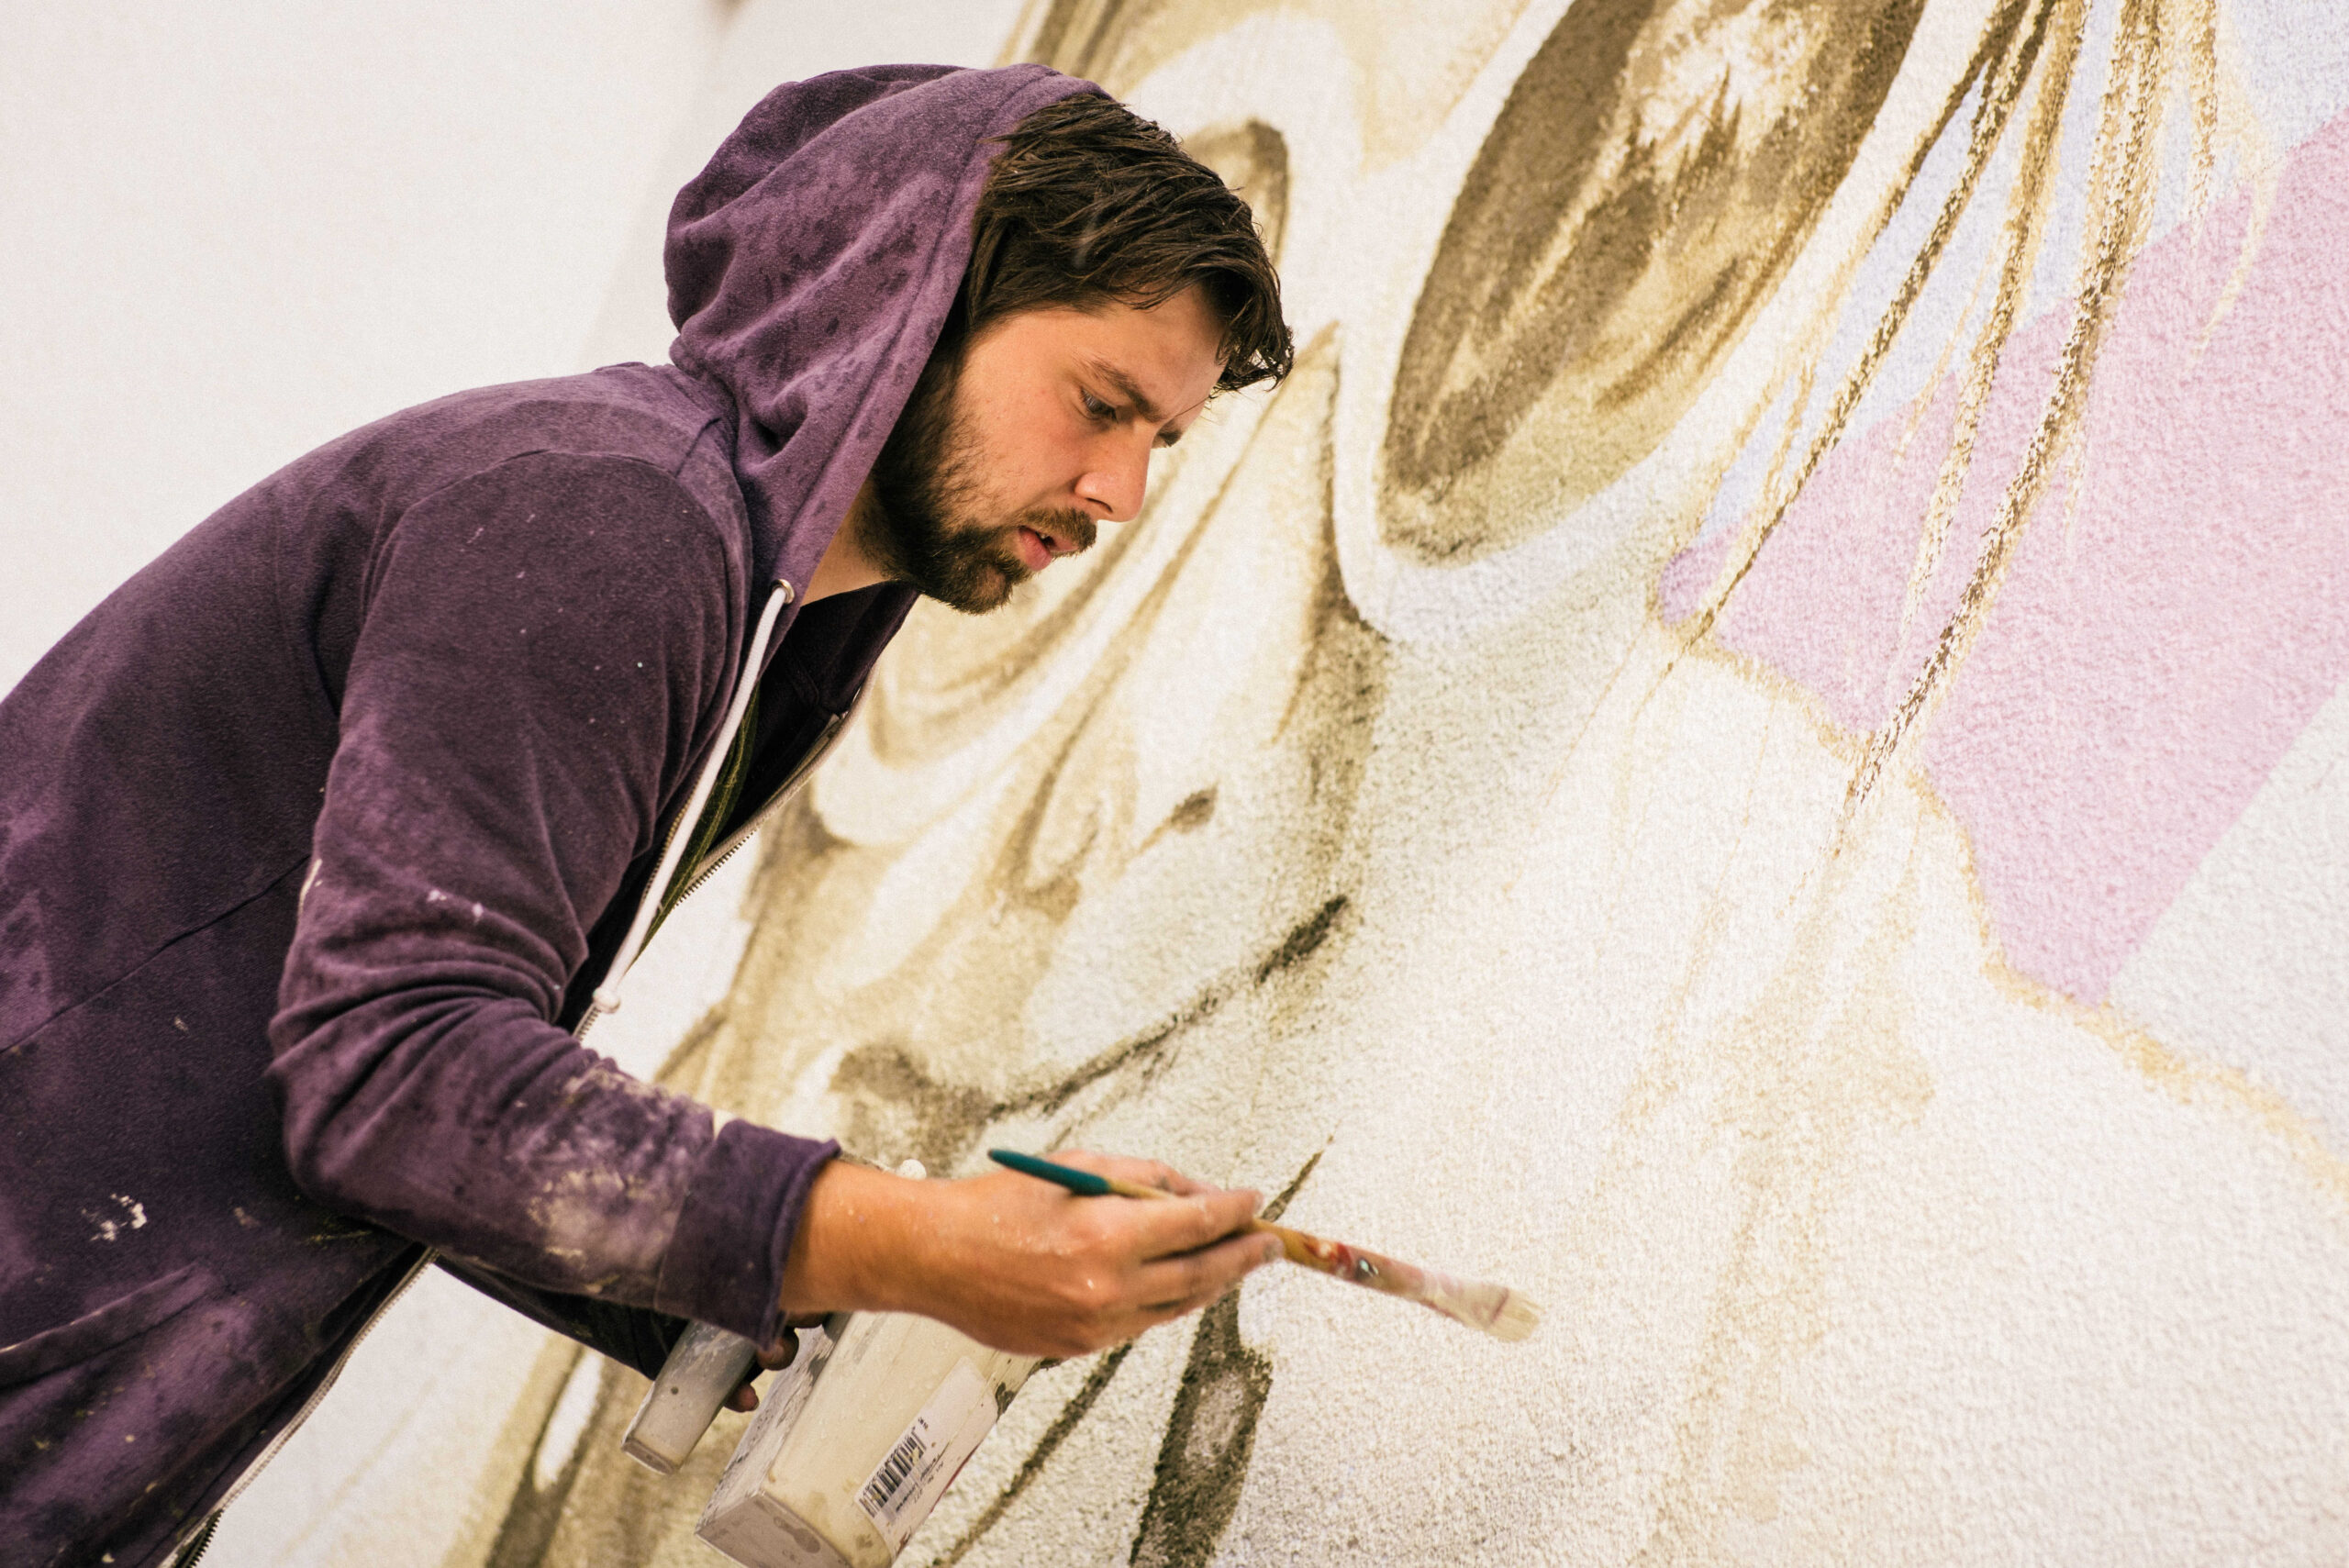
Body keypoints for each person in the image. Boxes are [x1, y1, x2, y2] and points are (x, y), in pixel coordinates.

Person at [0, 63, 1294, 1566]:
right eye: (1101, 404)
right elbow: (393, 1076)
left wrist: (775, 1291)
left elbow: (339, 1082)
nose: (1122, 490)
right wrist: (919, 1240)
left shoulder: (738, 611)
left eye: (1161, 440)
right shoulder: (608, 523)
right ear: (915, 302)